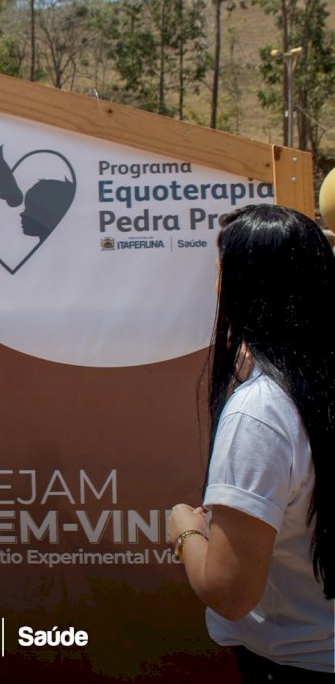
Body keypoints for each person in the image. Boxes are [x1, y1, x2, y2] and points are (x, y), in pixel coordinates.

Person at [168, 204, 335, 682]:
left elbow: (231, 592)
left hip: (295, 662)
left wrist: (184, 530)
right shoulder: (305, 391)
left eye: (222, 273)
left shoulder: (260, 413)